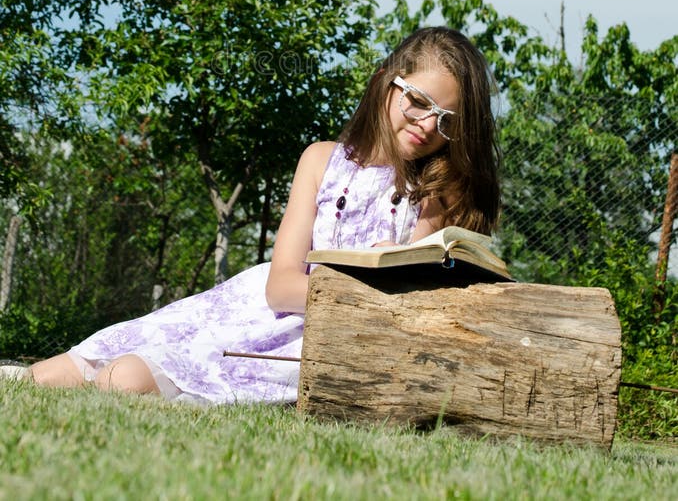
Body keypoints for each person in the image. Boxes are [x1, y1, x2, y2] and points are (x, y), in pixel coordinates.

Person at [1, 26, 500, 403]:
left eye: (447, 119)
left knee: (124, 378)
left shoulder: (436, 190)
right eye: (418, 101)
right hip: (255, 309)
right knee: (58, 370)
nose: (427, 123)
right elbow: (281, 284)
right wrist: (350, 286)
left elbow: (402, 299)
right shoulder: (321, 158)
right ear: (386, 84)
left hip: (316, 336)